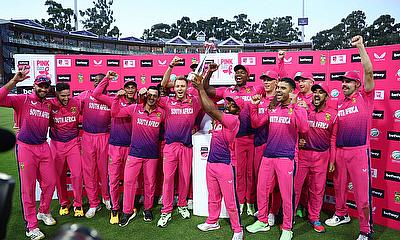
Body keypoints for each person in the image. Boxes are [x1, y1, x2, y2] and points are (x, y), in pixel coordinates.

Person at [203, 51, 286, 216]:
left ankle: (251, 202)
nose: (238, 74)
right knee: (240, 173)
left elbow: (277, 82)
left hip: (255, 139)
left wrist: (280, 62)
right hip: (236, 140)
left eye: (242, 72)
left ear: (248, 75)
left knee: (253, 174)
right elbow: (206, 89)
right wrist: (209, 72)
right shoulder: (228, 91)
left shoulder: (256, 89)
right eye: (236, 72)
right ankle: (241, 202)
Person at [324, 35, 375, 240]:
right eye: (342, 81)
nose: (344, 84)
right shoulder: (340, 104)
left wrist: (360, 46)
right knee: (339, 187)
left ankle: (365, 230)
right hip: (341, 152)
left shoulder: (365, 96)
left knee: (362, 195)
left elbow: (369, 71)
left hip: (359, 151)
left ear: (357, 83)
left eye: (348, 81)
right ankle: (341, 214)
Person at [246, 78, 309, 240]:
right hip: (268, 155)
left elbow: (304, 128)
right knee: (262, 190)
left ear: (292, 92)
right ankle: (262, 221)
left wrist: (295, 106)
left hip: (286, 157)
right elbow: (257, 123)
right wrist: (253, 105)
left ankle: (287, 228)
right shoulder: (273, 107)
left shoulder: (298, 108)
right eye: (278, 87)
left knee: (287, 195)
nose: (279, 90)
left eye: (283, 88)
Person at [0, 68, 56, 240]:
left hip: (43, 146)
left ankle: (43, 211)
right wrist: (14, 81)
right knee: (28, 188)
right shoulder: (22, 99)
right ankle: (31, 226)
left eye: (46, 87)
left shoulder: (48, 104)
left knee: (50, 182)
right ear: (34, 86)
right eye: (40, 86)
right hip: (26, 148)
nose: (43, 89)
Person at [191, 74, 243, 240]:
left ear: (238, 111)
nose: (229, 106)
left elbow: (209, 108)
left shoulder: (233, 120)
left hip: (225, 165)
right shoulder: (220, 117)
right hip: (211, 163)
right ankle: (213, 221)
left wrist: (199, 88)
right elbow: (207, 105)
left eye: (234, 105)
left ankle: (237, 229)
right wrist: (203, 86)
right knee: (213, 196)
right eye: (229, 103)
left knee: (230, 201)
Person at [110, 86, 165, 226]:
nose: (152, 98)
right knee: (128, 183)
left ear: (158, 98)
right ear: (146, 96)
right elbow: (115, 113)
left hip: (152, 155)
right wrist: (117, 97)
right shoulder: (135, 108)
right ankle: (127, 211)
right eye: (150, 95)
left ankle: (148, 209)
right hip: (134, 153)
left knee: (150, 184)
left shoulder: (161, 113)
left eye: (155, 96)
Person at [92, 71, 137, 224]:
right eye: (128, 87)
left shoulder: (139, 104)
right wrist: (107, 78)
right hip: (115, 147)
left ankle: (128, 206)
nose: (130, 90)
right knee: (114, 180)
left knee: (130, 180)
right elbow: (96, 93)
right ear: (124, 89)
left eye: (133, 88)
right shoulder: (114, 100)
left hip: (132, 148)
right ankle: (114, 208)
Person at [157, 74, 201, 228]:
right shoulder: (167, 101)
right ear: (173, 88)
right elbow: (162, 85)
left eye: (183, 86)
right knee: (168, 179)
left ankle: (182, 204)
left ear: (187, 87)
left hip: (187, 146)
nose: (180, 88)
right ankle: (166, 210)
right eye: (177, 86)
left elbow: (204, 95)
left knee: (184, 178)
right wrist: (171, 66)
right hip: (170, 147)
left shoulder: (194, 101)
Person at [294, 82, 338, 233]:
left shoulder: (333, 114)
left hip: (322, 156)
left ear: (326, 96)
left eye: (321, 92)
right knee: (295, 187)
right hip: (303, 154)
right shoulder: (303, 109)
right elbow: (294, 129)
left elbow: (333, 139)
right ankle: (289, 218)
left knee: (317, 190)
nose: (317, 95)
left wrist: (332, 160)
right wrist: (297, 140)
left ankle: (314, 217)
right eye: (315, 92)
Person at [76, 73, 113, 218]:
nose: (98, 83)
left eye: (102, 81)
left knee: (105, 171)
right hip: (88, 137)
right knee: (89, 172)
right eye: (96, 81)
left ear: (106, 84)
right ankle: (93, 203)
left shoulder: (110, 99)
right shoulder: (85, 95)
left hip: (104, 137)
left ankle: (107, 197)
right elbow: (71, 107)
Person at [49, 83, 84, 218]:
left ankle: (78, 204)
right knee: (58, 175)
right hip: (56, 144)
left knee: (77, 175)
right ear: (57, 93)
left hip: (73, 143)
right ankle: (64, 203)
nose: (66, 98)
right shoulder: (49, 104)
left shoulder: (76, 102)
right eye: (63, 95)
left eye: (68, 95)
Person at [253, 71, 282, 226]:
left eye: (269, 80)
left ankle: (273, 211)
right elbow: (255, 123)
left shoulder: (280, 100)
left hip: (275, 145)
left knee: (275, 183)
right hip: (259, 144)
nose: (266, 82)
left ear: (276, 82)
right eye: (264, 79)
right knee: (262, 182)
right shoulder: (261, 100)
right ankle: (263, 209)